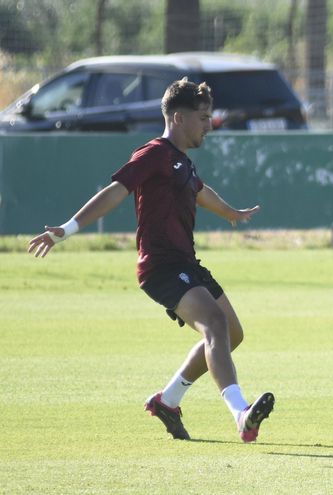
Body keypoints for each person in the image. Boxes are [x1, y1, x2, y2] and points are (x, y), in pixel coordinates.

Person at [27, 78, 274, 443]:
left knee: (231, 334)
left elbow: (202, 193)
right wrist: (67, 229)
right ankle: (240, 414)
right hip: (161, 266)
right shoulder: (154, 154)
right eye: (203, 117)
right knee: (215, 324)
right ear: (178, 118)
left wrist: (231, 214)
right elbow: (115, 191)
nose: (209, 125)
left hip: (186, 263)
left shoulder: (182, 163)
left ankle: (168, 400)